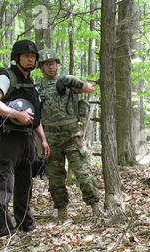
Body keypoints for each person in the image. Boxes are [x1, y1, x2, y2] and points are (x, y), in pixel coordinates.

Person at [0, 39, 50, 237]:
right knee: (4, 183)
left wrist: (43, 140)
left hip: (28, 139)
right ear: (16, 58)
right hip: (9, 138)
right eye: (26, 56)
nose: (30, 60)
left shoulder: (30, 84)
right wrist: (14, 114)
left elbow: (35, 117)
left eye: (33, 57)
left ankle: (25, 224)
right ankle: (4, 230)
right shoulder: (6, 77)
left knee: (25, 183)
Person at [36, 48, 100, 221]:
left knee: (83, 174)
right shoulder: (38, 87)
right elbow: (36, 117)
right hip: (51, 137)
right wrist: (42, 140)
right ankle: (62, 212)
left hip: (72, 135)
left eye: (53, 63)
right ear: (41, 67)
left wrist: (73, 81)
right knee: (55, 179)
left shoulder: (67, 82)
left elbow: (89, 89)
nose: (51, 67)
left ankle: (96, 208)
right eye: (47, 64)